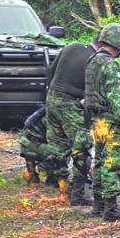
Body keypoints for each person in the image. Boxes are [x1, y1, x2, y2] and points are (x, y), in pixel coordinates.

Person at [85, 22, 120, 221]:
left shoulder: (94, 61)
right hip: (112, 122)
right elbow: (115, 96)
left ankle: (98, 205)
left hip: (98, 120)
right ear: (119, 43)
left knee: (99, 162)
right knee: (113, 163)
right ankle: (111, 209)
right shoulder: (109, 65)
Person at [46, 36, 100, 205]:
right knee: (82, 147)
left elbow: (50, 71)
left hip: (52, 98)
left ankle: (56, 180)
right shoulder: (96, 60)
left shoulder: (72, 46)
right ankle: (78, 194)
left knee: (57, 144)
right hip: (70, 103)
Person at [18, 105, 58, 188]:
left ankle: (33, 175)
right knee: (60, 151)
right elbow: (55, 140)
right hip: (33, 145)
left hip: (26, 144)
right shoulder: (52, 118)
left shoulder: (43, 112)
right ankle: (50, 176)